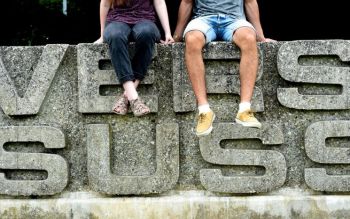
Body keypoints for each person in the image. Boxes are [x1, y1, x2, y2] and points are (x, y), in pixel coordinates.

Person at [173, 0, 275, 136]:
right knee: (191, 39)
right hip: (203, 19)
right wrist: (177, 36)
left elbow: (250, 2)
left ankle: (244, 109)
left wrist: (260, 37)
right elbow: (186, 2)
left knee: (250, 38)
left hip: (235, 20)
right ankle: (204, 111)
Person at [94, 0, 174, 116]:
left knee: (147, 33)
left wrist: (168, 33)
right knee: (115, 35)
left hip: (145, 20)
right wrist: (102, 35)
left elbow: (160, 3)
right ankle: (134, 98)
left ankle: (127, 95)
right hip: (117, 21)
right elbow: (105, 4)